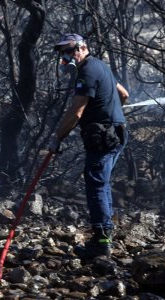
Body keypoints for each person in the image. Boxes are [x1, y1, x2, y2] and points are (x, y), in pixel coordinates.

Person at [49, 33, 129, 259]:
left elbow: (77, 111)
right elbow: (124, 94)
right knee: (101, 183)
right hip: (117, 132)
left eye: (69, 50)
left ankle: (101, 242)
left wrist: (58, 137)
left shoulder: (86, 71)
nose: (66, 56)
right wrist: (110, 111)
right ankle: (105, 235)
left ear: (82, 48)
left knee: (95, 185)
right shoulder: (100, 66)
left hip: (103, 136)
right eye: (63, 51)